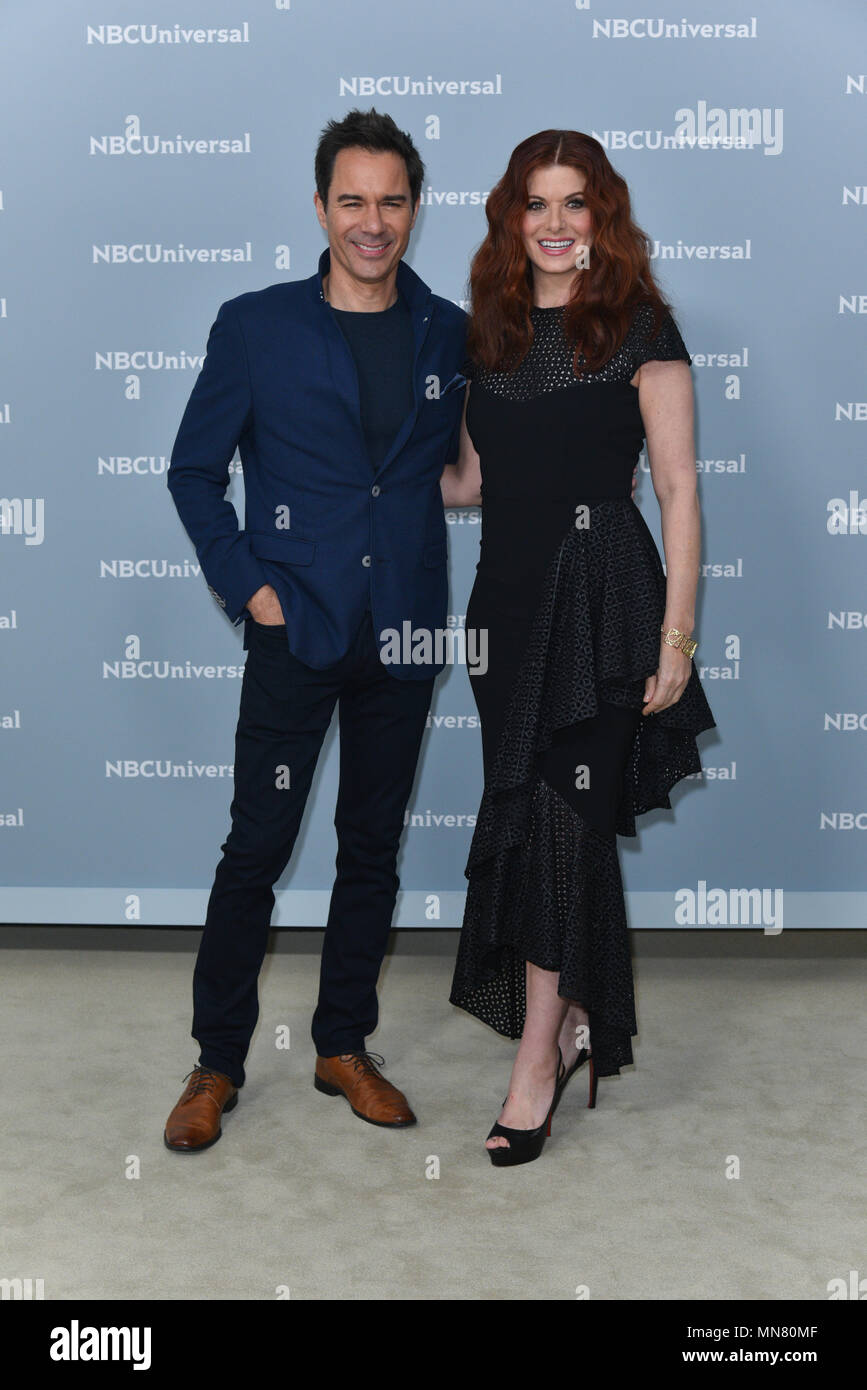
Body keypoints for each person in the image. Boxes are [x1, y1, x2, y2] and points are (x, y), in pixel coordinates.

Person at [162, 109, 468, 1151]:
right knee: (257, 846)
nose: (372, 221)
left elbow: (455, 471)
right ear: (320, 206)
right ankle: (216, 1062)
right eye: (353, 200)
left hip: (406, 635)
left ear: (413, 210)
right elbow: (194, 472)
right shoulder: (257, 325)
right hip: (296, 631)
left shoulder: (449, 331)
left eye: (391, 200)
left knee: (371, 847)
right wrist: (250, 588)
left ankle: (344, 1044)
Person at [441, 130, 717, 1166]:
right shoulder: (491, 334)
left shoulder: (639, 324)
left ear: (603, 215)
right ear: (512, 218)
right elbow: (468, 483)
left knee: (564, 821)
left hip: (604, 603)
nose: (555, 224)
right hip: (503, 609)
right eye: (536, 204)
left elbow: (680, 486)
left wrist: (676, 634)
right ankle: (578, 1010)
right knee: (538, 818)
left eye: (576, 203)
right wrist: (358, 468)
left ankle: (539, 1059)